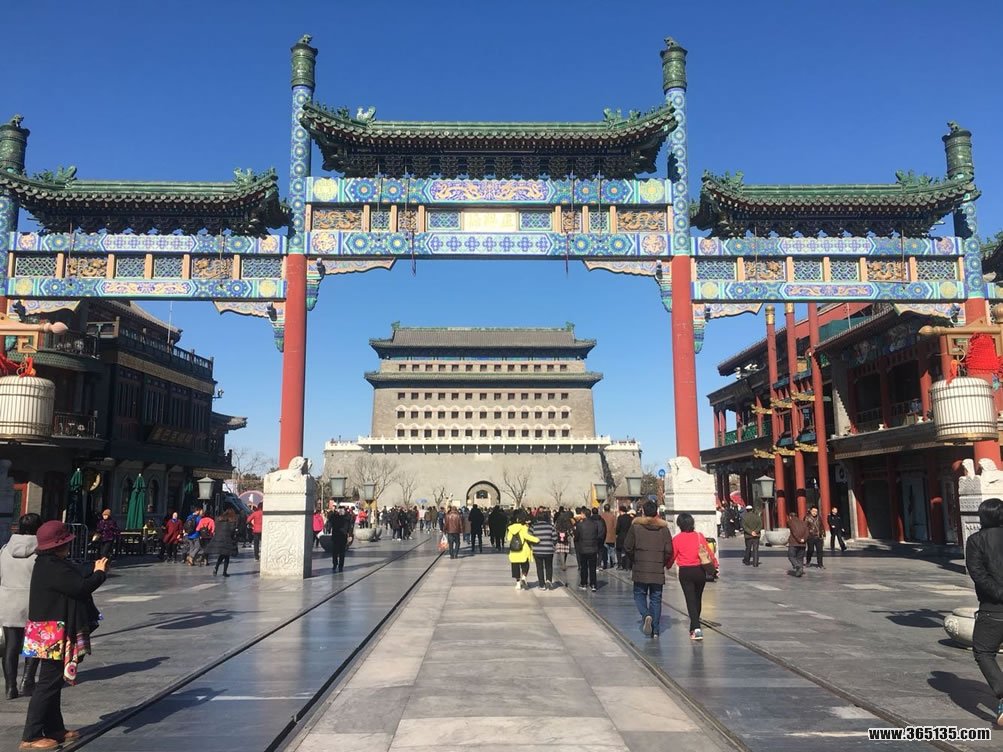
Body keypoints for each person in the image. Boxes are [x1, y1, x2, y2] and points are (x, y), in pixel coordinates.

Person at [20, 521, 108, 750]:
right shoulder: (52, 566)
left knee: (53, 681)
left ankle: (54, 728)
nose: (69, 546)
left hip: (48, 630)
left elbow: (75, 580)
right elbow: (80, 587)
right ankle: (30, 736)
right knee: (47, 683)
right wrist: (99, 573)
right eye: (67, 542)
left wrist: (94, 570)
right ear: (59, 545)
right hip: (52, 632)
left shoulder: (49, 563)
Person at [966, 498, 1003, 726]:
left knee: (983, 651)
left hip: (993, 608)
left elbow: (978, 574)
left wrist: (999, 593)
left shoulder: (975, 541)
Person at [1, 513, 41, 700]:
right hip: (34, 601)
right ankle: (27, 680)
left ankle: (10, 687)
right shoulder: (41, 553)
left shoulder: (5, 550)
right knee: (34, 643)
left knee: (10, 645)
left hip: (8, 601)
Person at [624, 500, 673, 638]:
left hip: (640, 567)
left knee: (639, 594)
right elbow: (669, 550)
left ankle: (646, 615)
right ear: (656, 512)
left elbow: (628, 547)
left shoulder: (636, 527)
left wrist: (635, 559)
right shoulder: (664, 529)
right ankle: (655, 630)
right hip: (657, 569)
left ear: (643, 512)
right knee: (656, 598)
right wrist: (661, 562)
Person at [670, 513, 717, 641]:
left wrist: (667, 565)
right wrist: (714, 566)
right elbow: (708, 552)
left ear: (679, 524)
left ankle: (696, 628)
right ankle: (694, 626)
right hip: (699, 571)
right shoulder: (699, 536)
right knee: (697, 598)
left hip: (685, 572)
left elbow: (672, 555)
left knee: (690, 600)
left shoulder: (677, 539)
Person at [505, 509, 539, 590]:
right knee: (525, 565)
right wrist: (537, 540)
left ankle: (518, 584)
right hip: (523, 550)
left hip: (514, 551)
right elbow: (527, 536)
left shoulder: (510, 528)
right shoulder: (524, 527)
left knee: (515, 567)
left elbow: (508, 538)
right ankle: (524, 577)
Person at [574, 507, 605, 592]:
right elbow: (597, 534)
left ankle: (584, 583)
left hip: (583, 549)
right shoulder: (595, 524)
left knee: (584, 567)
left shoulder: (580, 525)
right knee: (592, 568)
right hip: (593, 548)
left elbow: (576, 536)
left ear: (584, 515)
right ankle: (593, 584)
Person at [206, 508, 238, 577]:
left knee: (223, 555)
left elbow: (216, 529)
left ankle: (216, 568)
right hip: (227, 540)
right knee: (226, 556)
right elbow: (232, 531)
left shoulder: (219, 519)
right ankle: (224, 572)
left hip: (219, 539)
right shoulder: (232, 520)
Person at [529, 509, 557, 589]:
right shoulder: (551, 526)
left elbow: (529, 537)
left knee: (539, 567)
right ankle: (548, 580)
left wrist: (533, 544)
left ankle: (542, 585)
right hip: (549, 550)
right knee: (549, 566)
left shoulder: (533, 526)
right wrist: (552, 544)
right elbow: (555, 538)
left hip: (537, 550)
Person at [327, 507, 352, 573]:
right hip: (338, 536)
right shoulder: (335, 517)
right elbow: (330, 521)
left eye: (342, 510)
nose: (341, 511)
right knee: (337, 552)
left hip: (341, 536)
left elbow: (350, 527)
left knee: (340, 552)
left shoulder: (346, 518)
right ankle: (336, 564)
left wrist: (350, 535)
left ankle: (339, 565)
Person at [787, 511, 809, 577]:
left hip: (794, 543)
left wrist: (799, 539)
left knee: (791, 556)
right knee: (800, 558)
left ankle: (797, 566)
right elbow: (807, 533)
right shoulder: (804, 523)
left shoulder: (790, 522)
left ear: (790, 517)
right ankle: (799, 571)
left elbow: (794, 532)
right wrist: (804, 539)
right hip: (803, 544)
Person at [615, 505, 632, 570]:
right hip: (628, 536)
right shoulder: (630, 518)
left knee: (618, 550)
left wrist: (616, 533)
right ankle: (628, 566)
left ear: (621, 511)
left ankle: (620, 565)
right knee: (627, 551)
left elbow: (618, 528)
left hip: (621, 536)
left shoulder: (620, 518)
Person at [600, 504, 616, 570]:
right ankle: (612, 563)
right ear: (609, 509)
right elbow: (615, 526)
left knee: (604, 551)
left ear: (604, 509)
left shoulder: (601, 516)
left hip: (603, 536)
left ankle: (605, 564)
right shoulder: (613, 516)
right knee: (612, 550)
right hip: (611, 536)